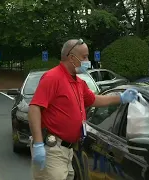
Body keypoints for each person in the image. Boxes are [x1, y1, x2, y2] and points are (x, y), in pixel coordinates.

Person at [28, 39, 138, 180]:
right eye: (84, 57)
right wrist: (37, 144)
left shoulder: (79, 82)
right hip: (52, 149)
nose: (88, 61)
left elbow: (94, 100)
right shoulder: (52, 77)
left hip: (67, 151)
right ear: (72, 58)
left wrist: (121, 98)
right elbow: (34, 108)